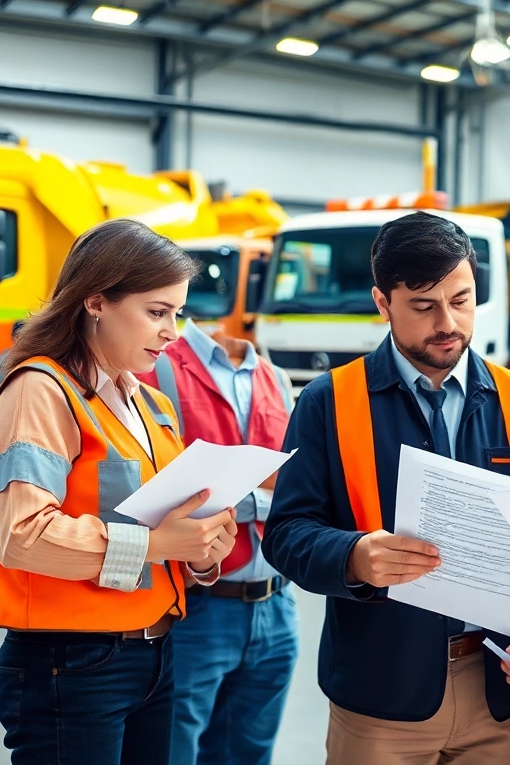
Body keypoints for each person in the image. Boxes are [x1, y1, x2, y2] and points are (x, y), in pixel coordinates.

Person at [262, 211, 510, 765]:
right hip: (381, 694)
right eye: (424, 306)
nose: (448, 322)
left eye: (461, 300)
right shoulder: (329, 403)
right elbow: (286, 534)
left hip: (499, 691)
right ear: (383, 303)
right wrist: (354, 555)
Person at [0, 219, 239, 765]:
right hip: (70, 661)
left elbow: (163, 524)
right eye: (157, 312)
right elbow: (21, 537)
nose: (172, 332)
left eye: (178, 314)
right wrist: (160, 545)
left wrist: (203, 547)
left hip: (155, 651)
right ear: (96, 301)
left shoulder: (149, 404)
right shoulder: (39, 392)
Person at [137, 318, 297, 765]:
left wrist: (250, 504)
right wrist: (263, 502)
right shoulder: (160, 371)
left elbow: (300, 491)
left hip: (276, 607)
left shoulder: (277, 380)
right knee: (174, 747)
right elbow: (158, 489)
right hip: (198, 606)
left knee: (251, 752)